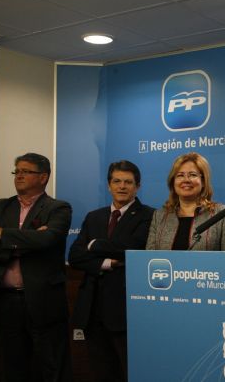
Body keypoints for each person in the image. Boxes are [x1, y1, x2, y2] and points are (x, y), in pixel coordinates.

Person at [0, 152, 72, 382]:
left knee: (51, 366)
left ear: (43, 177)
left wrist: (0, 234)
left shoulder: (58, 208)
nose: (19, 175)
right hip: (7, 300)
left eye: (26, 171)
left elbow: (47, 240)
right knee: (13, 365)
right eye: (17, 171)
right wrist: (24, 243)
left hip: (44, 300)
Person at [68, 160, 154, 381]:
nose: (122, 186)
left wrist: (95, 245)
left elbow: (133, 249)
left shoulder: (150, 216)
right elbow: (75, 256)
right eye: (117, 181)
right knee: (101, 372)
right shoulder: (93, 216)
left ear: (137, 186)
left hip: (126, 310)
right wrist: (107, 262)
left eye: (128, 182)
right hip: (91, 308)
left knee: (130, 372)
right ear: (109, 185)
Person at [146, 152, 225, 251]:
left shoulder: (222, 215)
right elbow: (149, 259)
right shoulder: (160, 217)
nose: (186, 180)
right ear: (173, 182)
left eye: (192, 175)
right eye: (180, 175)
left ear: (203, 181)